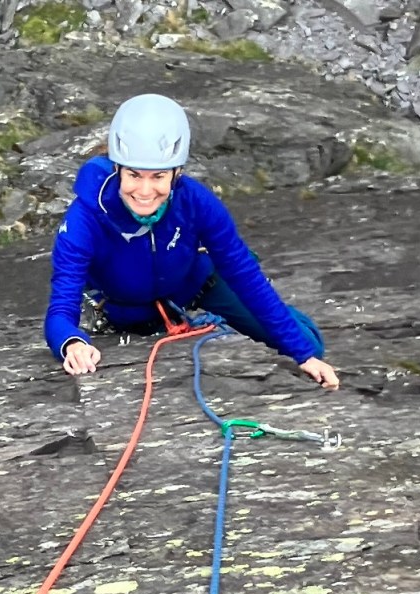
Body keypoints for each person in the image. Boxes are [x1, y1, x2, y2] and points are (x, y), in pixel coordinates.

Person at [44, 93, 339, 391]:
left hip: (195, 284)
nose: (145, 191)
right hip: (131, 308)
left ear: (177, 173)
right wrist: (72, 343)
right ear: (117, 168)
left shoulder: (195, 201)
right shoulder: (85, 218)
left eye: (158, 176)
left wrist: (303, 354)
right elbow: (62, 304)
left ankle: (266, 324)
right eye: (133, 175)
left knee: (309, 343)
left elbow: (242, 272)